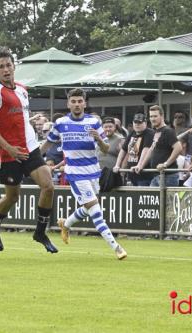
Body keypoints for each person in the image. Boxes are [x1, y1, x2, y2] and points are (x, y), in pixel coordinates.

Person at [0, 46, 57, 253]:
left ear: (14, 66)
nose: (6, 69)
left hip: (30, 148)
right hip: (9, 153)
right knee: (13, 197)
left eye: (8, 65)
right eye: (1, 67)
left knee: (48, 186)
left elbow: (20, 120)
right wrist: (8, 148)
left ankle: (40, 232)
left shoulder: (22, 89)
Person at [41, 88, 127, 260]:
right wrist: (33, 159)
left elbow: (106, 148)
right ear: (68, 104)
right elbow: (47, 145)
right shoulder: (61, 123)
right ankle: (116, 247)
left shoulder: (94, 122)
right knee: (95, 210)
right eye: (73, 101)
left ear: (84, 103)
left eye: (80, 101)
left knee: (88, 209)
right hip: (75, 173)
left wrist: (99, 139)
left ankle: (65, 224)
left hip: (94, 172)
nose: (77, 104)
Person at [143, 105, 182, 187]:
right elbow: (151, 150)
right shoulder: (155, 132)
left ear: (162, 116)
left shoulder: (168, 131)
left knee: (167, 200)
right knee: (151, 199)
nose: (153, 119)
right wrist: (140, 166)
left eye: (155, 116)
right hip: (157, 175)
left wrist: (165, 164)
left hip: (168, 176)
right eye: (151, 116)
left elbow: (178, 148)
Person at [113, 113, 155, 186]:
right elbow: (123, 150)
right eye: (135, 122)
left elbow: (146, 150)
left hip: (144, 175)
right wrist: (117, 165)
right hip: (132, 174)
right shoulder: (132, 133)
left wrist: (139, 165)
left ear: (145, 123)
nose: (137, 124)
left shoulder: (149, 133)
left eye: (140, 122)